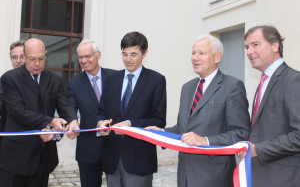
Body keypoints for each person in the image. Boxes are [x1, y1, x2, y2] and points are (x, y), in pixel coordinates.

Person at [146, 35, 250, 187]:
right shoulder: (187, 88)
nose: (195, 58)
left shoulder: (232, 86)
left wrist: (205, 141)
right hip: (185, 175)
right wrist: (161, 132)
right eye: (193, 53)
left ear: (217, 57)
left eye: (201, 53)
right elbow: (183, 129)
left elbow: (240, 132)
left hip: (215, 177)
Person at [0, 38, 80, 187]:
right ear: (24, 57)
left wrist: (73, 120)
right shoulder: (10, 79)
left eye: (41, 59)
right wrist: (51, 121)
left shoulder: (54, 80)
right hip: (15, 158)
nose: (37, 64)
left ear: (46, 55)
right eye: (32, 59)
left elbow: (64, 104)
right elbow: (18, 111)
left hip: (43, 158)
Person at [98, 31, 167, 187]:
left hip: (139, 158)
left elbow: (159, 120)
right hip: (112, 158)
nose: (128, 59)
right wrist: (100, 123)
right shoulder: (111, 79)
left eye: (134, 54)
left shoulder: (156, 80)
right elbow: (102, 111)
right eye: (124, 54)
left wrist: (130, 124)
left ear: (144, 53)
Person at [240, 25, 300, 187]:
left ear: (275, 46)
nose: (249, 52)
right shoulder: (264, 81)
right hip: (260, 174)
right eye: (247, 47)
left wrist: (258, 149)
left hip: (283, 178)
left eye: (256, 45)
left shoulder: (293, 80)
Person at [67, 39, 116, 187]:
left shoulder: (115, 77)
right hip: (88, 148)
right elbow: (70, 108)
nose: (84, 60)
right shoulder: (74, 83)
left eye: (88, 56)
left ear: (98, 55)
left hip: (114, 145)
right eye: (80, 57)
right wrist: (72, 121)